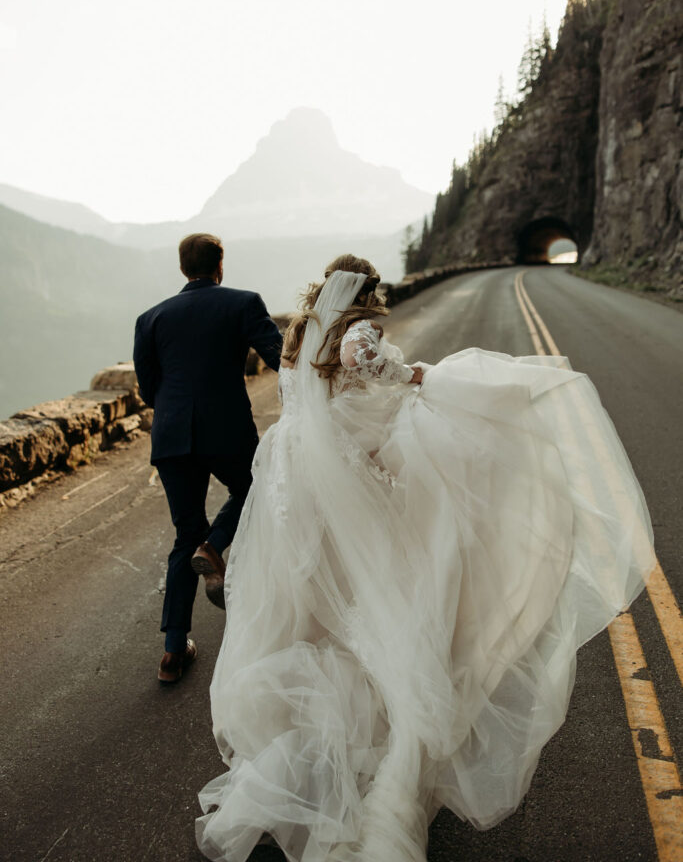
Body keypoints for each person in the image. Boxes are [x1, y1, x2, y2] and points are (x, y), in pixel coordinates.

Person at [195, 254, 654, 862]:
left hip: (299, 481)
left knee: (325, 607)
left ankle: (326, 746)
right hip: (350, 479)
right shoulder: (357, 331)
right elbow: (363, 361)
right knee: (385, 595)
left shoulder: (300, 333)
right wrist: (413, 376)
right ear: (366, 289)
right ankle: (379, 755)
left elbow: (308, 400)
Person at [133, 233, 282, 684]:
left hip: (172, 435)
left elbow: (146, 388)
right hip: (226, 430)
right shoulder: (243, 303)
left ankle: (173, 652)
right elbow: (281, 358)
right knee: (256, 485)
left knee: (183, 533)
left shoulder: (150, 318)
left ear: (183, 268)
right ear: (220, 265)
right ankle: (214, 546)